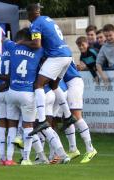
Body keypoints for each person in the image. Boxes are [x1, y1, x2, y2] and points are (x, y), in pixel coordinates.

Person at [4, 28, 70, 165]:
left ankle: (41, 156)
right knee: (42, 126)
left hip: (26, 93)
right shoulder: (41, 50)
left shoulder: (14, 46)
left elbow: (4, 40)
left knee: (35, 125)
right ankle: (52, 155)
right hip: (41, 93)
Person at [18, 3, 75, 135]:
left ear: (29, 14)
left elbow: (36, 45)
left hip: (57, 57)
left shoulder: (35, 24)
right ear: (39, 11)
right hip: (67, 55)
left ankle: (42, 120)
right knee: (54, 85)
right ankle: (67, 116)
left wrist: (22, 43)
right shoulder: (47, 18)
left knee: (38, 84)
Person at [63, 62, 97, 163]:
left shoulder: (53, 50)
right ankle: (73, 149)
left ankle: (90, 149)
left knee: (76, 116)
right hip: (66, 84)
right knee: (66, 118)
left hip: (73, 82)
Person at [0, 50, 17, 166]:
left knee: (0, 125)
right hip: (9, 92)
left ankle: (2, 159)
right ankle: (9, 158)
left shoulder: (1, 56)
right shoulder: (16, 54)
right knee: (12, 125)